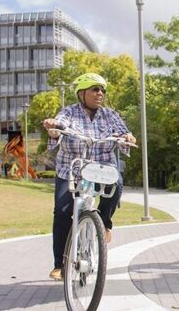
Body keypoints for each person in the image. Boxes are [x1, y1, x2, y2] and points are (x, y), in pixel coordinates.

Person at [42, 72, 136, 281]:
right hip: (71, 170)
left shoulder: (110, 115)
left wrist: (127, 137)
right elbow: (58, 125)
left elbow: (123, 134)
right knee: (62, 212)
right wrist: (54, 129)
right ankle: (60, 264)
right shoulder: (69, 112)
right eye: (95, 89)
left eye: (102, 90)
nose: (100, 93)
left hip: (102, 168)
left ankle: (104, 222)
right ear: (81, 93)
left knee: (117, 183)